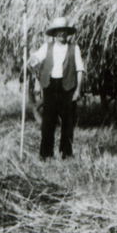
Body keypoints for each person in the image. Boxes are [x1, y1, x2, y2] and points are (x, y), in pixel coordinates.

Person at [28, 17, 85, 160]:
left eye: (64, 31)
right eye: (59, 31)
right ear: (54, 33)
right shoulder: (47, 47)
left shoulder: (74, 48)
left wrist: (78, 90)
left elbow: (80, 70)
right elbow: (36, 59)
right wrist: (31, 58)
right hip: (50, 86)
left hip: (68, 87)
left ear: (67, 32)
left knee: (68, 121)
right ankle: (46, 153)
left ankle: (66, 152)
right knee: (48, 121)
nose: (62, 34)